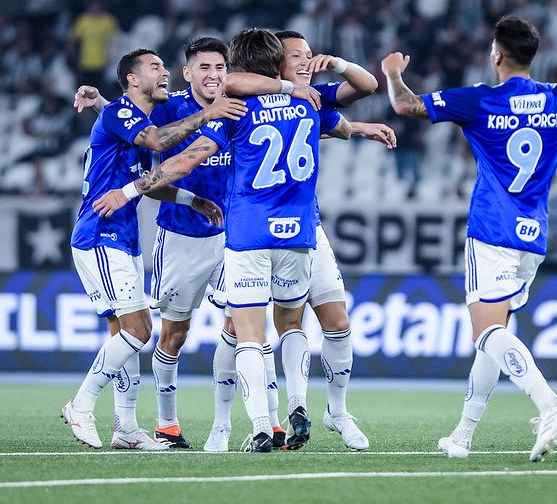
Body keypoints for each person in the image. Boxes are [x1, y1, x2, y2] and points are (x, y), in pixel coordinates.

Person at [381, 15, 557, 462]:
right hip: (533, 235)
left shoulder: (479, 100)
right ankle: (462, 436)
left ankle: (549, 403)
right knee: (497, 333)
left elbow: (407, 107)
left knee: (486, 334)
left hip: (491, 229)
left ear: (496, 55)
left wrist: (393, 74)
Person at [92, 29, 345, 453]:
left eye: (220, 67)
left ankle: (231, 426)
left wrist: (356, 126)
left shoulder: (244, 105)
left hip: (237, 235)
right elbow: (131, 121)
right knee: (174, 335)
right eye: (204, 67)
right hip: (182, 234)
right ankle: (167, 424)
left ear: (233, 70)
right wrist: (102, 104)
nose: (213, 75)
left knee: (241, 327)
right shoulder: (173, 107)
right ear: (187, 73)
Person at [209, 30, 395, 452]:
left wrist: (339, 69)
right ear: (277, 64)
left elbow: (362, 92)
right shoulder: (289, 96)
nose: (308, 62)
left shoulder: (313, 96)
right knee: (242, 328)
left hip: (301, 230)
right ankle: (249, 421)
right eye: (298, 56)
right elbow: (241, 85)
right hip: (269, 228)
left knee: (334, 322)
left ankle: (334, 413)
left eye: (310, 55)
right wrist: (295, 91)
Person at [61, 48, 245, 451]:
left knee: (123, 334)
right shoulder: (124, 115)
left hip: (122, 239)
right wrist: (207, 115)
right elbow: (160, 139)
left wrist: (191, 200)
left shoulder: (125, 118)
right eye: (155, 67)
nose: (164, 74)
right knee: (140, 330)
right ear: (131, 79)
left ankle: (125, 428)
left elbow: (153, 181)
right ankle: (81, 404)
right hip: (100, 236)